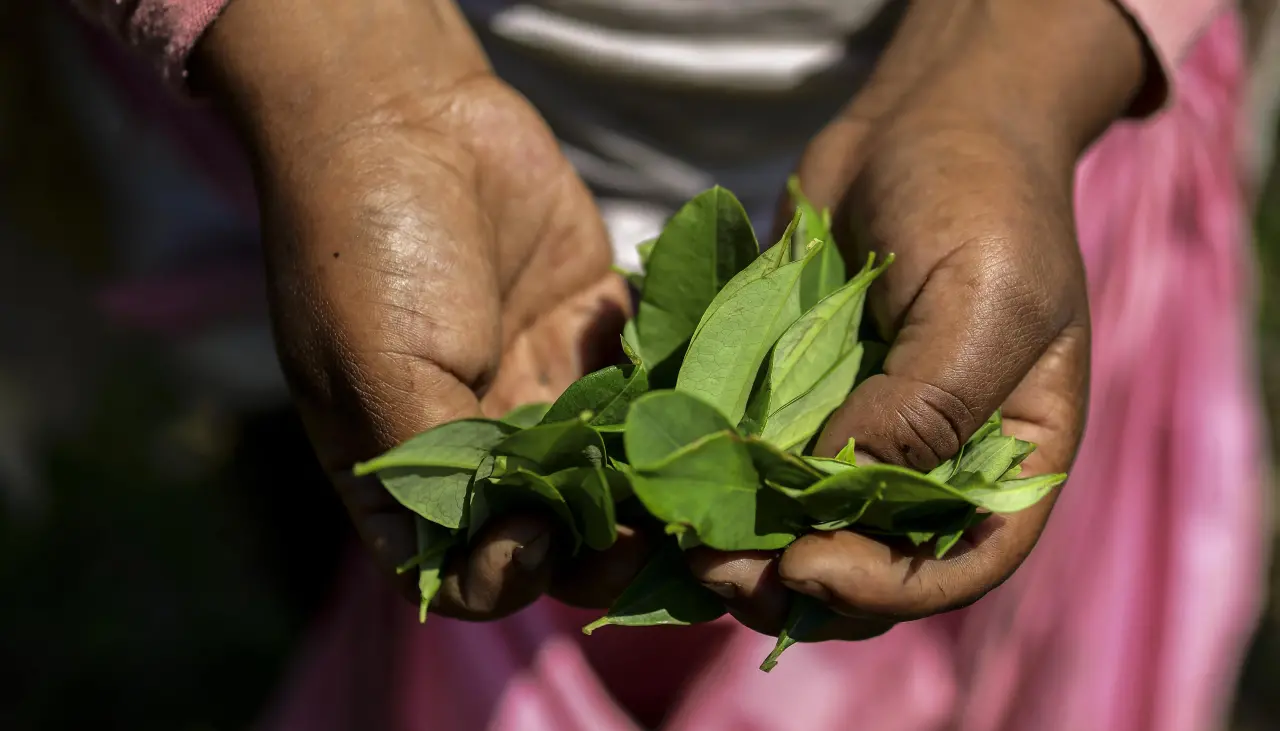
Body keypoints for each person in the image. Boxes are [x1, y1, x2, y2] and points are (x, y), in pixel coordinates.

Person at [71, 1, 1267, 729]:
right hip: (294, 108)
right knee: (346, 458)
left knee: (994, 620)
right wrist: (329, 67)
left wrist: (1011, 74)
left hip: (1013, 122)